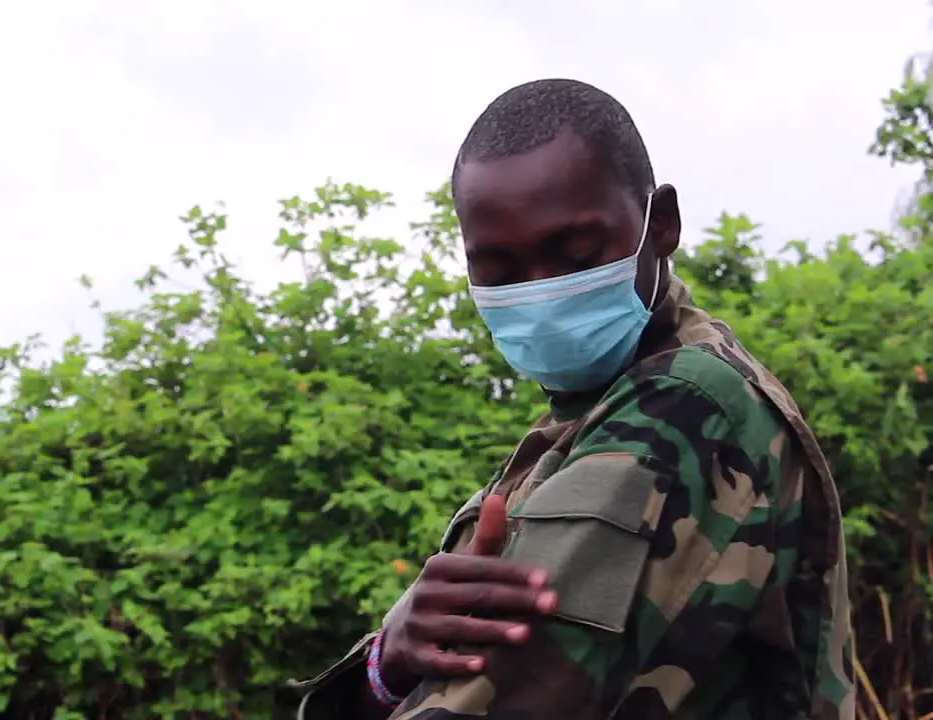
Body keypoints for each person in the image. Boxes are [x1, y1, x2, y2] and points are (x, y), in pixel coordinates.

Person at [293, 79, 855, 719]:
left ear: (660, 224)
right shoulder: (585, 416)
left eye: (576, 249)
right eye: (498, 266)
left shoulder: (682, 407)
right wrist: (385, 663)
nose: (542, 291)